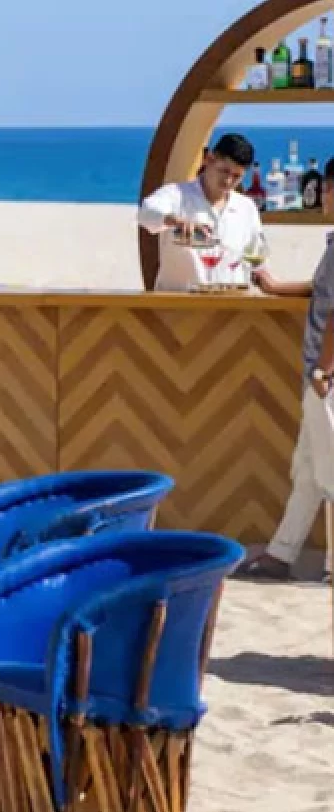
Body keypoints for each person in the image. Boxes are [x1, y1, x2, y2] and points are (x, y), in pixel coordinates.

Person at [238, 234, 334, 580]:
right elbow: (322, 289)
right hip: (320, 372)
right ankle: (281, 554)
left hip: (326, 375)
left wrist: (325, 367)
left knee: (329, 470)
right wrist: (277, 287)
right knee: (308, 469)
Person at [138, 133, 262, 291]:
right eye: (224, 171)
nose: (228, 181)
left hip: (229, 306)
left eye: (236, 176)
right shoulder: (176, 194)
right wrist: (175, 221)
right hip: (177, 305)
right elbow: (146, 213)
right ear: (209, 159)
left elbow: (256, 259)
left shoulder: (247, 207)